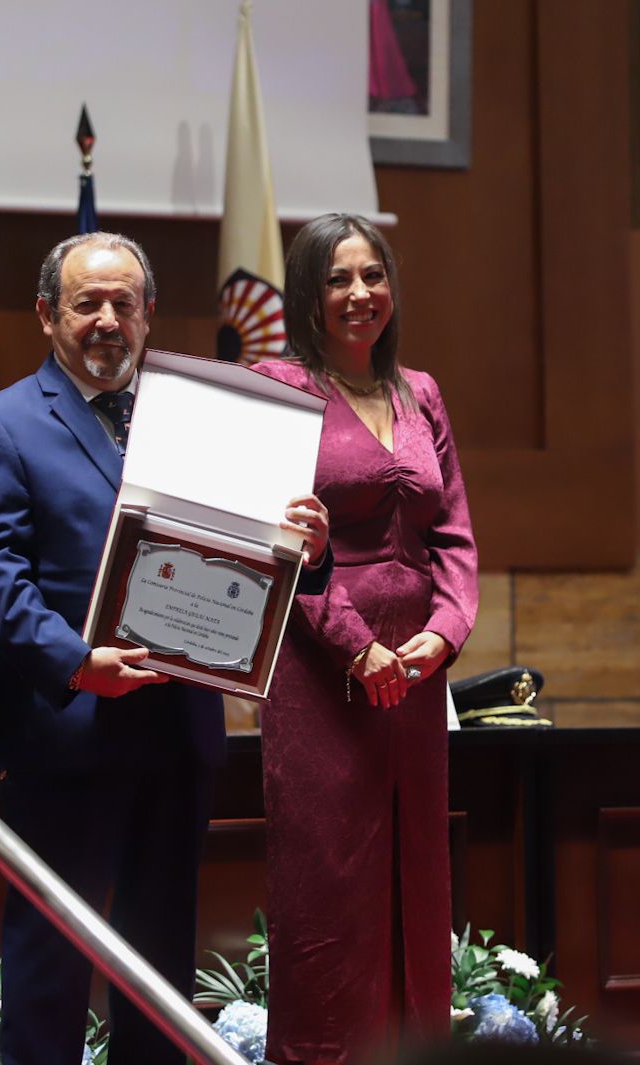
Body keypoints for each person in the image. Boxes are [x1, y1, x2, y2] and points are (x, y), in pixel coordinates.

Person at [0, 230, 330, 1065]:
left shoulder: (207, 419)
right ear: (47, 313)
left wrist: (309, 545)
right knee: (48, 966)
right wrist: (77, 662)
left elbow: (254, 550)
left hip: (176, 734)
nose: (108, 320)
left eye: (126, 302)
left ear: (150, 313)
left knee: (158, 969)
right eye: (88, 302)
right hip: (63, 734)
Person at [253, 213, 479, 1064]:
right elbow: (282, 541)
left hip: (414, 680)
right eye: (339, 279)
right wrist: (357, 645)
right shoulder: (276, 386)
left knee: (417, 878)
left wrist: (444, 633)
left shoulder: (420, 390)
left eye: (373, 276)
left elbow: (452, 533)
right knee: (330, 886)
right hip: (320, 675)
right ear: (308, 295)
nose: (359, 295)